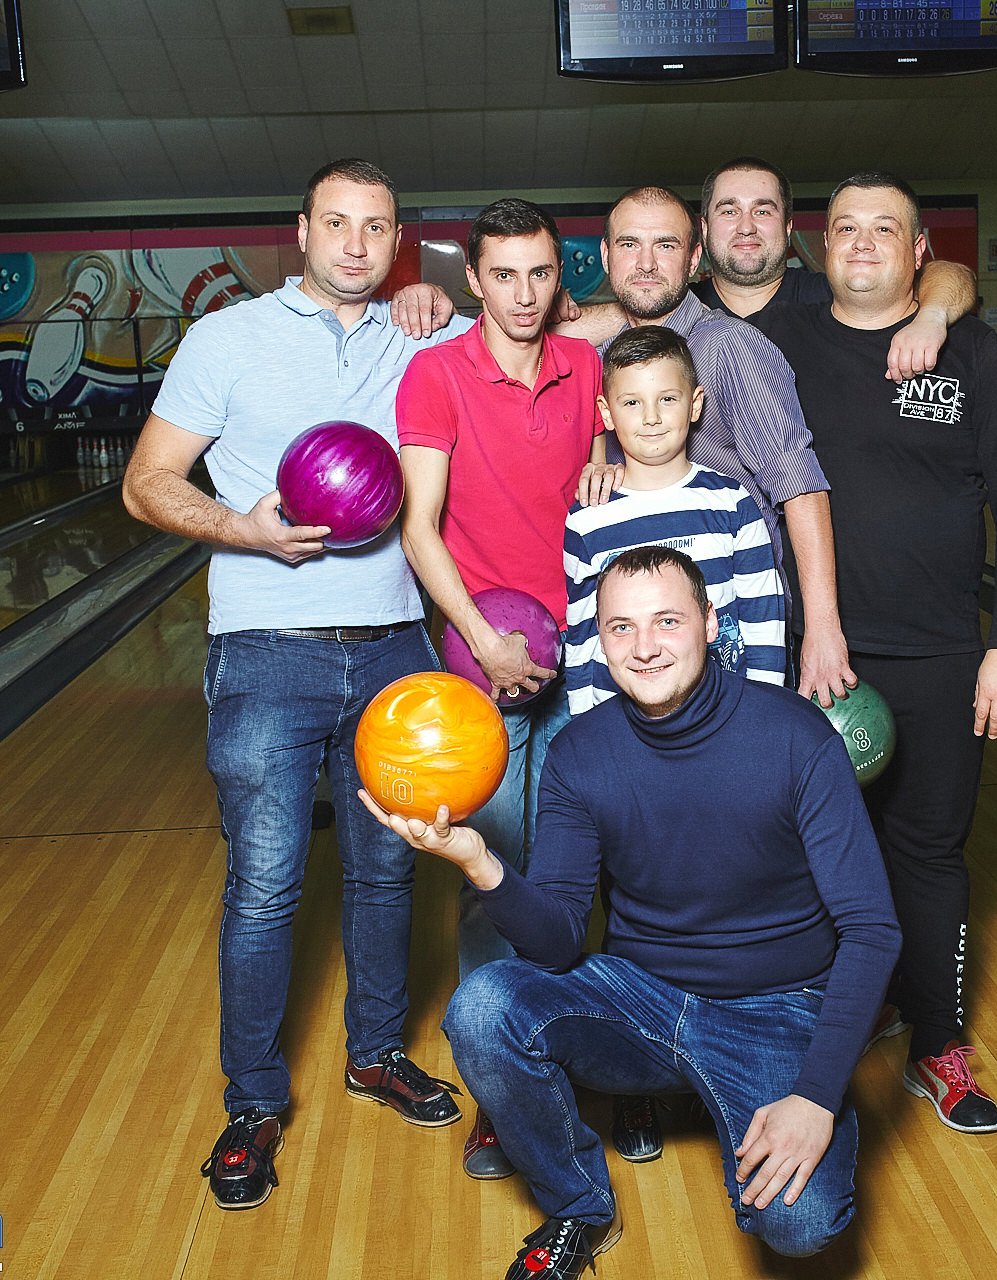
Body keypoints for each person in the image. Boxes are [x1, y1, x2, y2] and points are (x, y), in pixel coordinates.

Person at [361, 547, 900, 1280]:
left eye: (667, 621)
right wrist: (478, 860)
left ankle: (752, 1094)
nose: (644, 647)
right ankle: (580, 1207)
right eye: (622, 627)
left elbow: (872, 929)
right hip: (643, 1002)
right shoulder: (582, 754)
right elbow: (556, 942)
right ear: (600, 639)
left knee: (800, 1227)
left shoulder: (796, 738)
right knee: (484, 1007)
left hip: (775, 1010)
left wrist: (816, 1095)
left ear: (710, 623)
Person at [121, 158, 474, 1212]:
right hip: (267, 647)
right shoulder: (226, 338)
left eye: (377, 227)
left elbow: (559, 323)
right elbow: (146, 483)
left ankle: (376, 1052)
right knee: (267, 885)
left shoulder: (426, 333)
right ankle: (254, 1101)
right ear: (303, 230)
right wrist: (245, 530)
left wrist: (438, 297)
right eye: (337, 223)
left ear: (398, 239)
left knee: (386, 872)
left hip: (395, 644)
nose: (356, 245)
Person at [746, 171, 997, 1136]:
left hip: (939, 654)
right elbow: (652, 333)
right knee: (803, 852)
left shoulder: (969, 350)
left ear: (920, 252)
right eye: (846, 227)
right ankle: (812, 1023)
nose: (864, 243)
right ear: (821, 246)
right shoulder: (779, 342)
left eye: (887, 229)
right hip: (812, 651)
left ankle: (937, 1041)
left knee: (928, 850)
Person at [394, 197, 608, 1180]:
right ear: (473, 280)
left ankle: (573, 1059)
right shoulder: (436, 374)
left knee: (577, 869)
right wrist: (484, 642)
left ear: (559, 278)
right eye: (504, 275)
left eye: (540, 273)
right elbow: (419, 527)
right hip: (485, 659)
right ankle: (500, 1090)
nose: (523, 294)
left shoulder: (584, 366)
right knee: (497, 872)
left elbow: (594, 474)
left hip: (585, 652)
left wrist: (602, 463)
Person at [562, 186, 854, 706]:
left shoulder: (730, 346)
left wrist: (822, 629)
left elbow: (799, 486)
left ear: (695, 256)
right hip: (634, 656)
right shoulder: (600, 357)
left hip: (732, 640)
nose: (646, 263)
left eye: (666, 245)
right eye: (629, 244)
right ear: (605, 256)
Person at [563, 325, 786, 718]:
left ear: (694, 404)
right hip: (620, 721)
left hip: (722, 714)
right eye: (632, 403)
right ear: (606, 413)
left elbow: (763, 617)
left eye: (667, 399)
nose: (651, 418)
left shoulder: (731, 503)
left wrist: (762, 713)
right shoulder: (587, 519)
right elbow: (582, 634)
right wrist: (583, 725)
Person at [693, 156, 978, 383]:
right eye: (729, 211)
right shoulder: (681, 311)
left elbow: (953, 275)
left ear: (788, 227)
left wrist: (931, 317)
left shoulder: (836, 297)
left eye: (763, 211)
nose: (746, 227)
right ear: (704, 229)